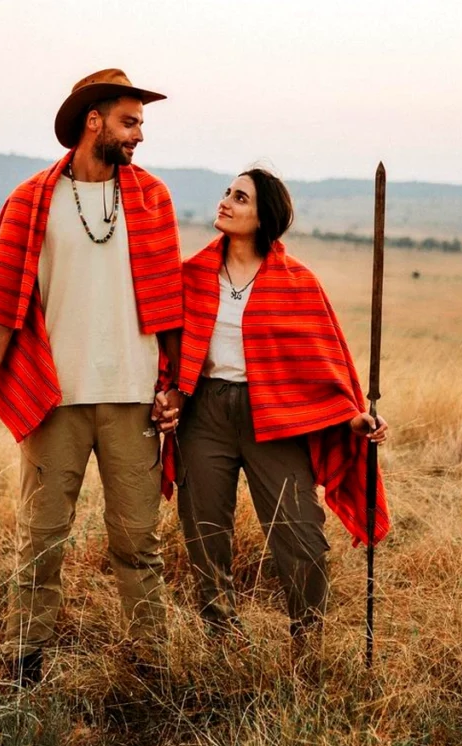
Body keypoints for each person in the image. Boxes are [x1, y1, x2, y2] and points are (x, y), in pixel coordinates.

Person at [0, 69, 182, 687]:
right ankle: (26, 665)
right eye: (130, 122)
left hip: (134, 397)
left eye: (140, 124)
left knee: (138, 543)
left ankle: (151, 666)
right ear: (94, 121)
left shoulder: (153, 199)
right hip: (54, 397)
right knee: (42, 540)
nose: (139, 135)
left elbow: (171, 304)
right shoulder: (32, 201)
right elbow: (1, 304)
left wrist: (174, 386)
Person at [153, 168, 390, 644]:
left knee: (300, 534)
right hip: (206, 414)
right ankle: (222, 638)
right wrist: (167, 391)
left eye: (240, 198)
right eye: (227, 193)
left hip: (274, 418)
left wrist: (354, 416)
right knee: (205, 532)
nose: (226, 202)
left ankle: (308, 639)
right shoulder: (193, 275)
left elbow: (322, 363)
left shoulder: (298, 283)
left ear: (265, 217)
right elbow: (170, 349)